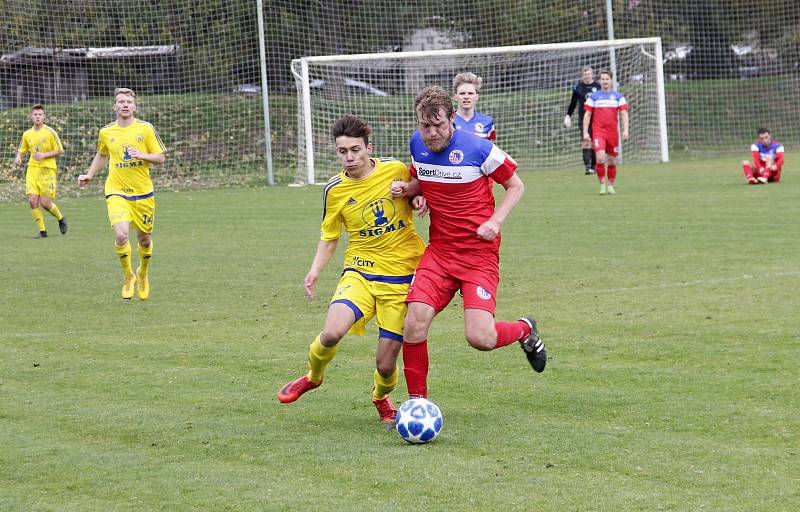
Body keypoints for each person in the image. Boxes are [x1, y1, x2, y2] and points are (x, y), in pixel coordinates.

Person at [391, 86, 546, 400]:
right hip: (440, 252)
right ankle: (417, 405)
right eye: (425, 126)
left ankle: (525, 329)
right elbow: (425, 177)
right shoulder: (416, 144)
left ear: (451, 120)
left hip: (478, 255)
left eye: (438, 125)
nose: (432, 133)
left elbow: (515, 186)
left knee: (480, 338)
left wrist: (495, 220)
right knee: (414, 324)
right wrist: (413, 191)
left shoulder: (479, 148)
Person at [277, 114, 426, 422]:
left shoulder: (395, 169)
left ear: (368, 148)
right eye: (342, 151)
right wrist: (315, 270)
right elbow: (330, 237)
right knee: (331, 333)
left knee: (385, 366)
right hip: (360, 271)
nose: (349, 157)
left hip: (401, 278)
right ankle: (313, 376)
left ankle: (381, 396)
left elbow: (421, 188)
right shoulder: (334, 190)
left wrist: (417, 197)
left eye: (355, 150)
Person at [78, 88, 166, 300]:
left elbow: (160, 158)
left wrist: (142, 154)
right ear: (114, 107)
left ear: (134, 107)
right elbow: (102, 154)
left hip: (143, 194)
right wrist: (89, 175)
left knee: (144, 240)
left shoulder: (145, 129)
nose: (125, 105)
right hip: (116, 191)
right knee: (120, 234)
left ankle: (142, 274)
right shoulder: (106, 132)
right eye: (121, 102)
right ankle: (128, 276)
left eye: (128, 102)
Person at [14, 104, 67, 238]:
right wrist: (18, 158)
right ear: (31, 117)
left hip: (47, 170)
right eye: (35, 114)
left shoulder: (50, 132)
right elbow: (22, 150)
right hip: (32, 169)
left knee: (45, 203)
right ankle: (42, 231)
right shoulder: (27, 134)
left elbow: (60, 150)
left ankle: (60, 218)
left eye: (40, 114)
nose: (37, 117)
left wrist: (43, 155)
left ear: (44, 117)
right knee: (32, 200)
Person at [583, 69, 629, 195]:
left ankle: (611, 185)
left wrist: (626, 130)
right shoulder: (594, 97)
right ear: (599, 81)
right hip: (599, 132)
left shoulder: (619, 97)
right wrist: (585, 132)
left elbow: (624, 114)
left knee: (612, 161)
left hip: (613, 133)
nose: (605, 81)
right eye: (602, 79)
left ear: (611, 80)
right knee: (600, 158)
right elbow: (587, 114)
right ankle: (602, 184)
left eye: (607, 79)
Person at [564, 66, 601, 175]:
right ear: (582, 75)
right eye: (585, 74)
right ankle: (588, 167)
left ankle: (594, 166)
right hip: (583, 119)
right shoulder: (578, 87)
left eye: (589, 74)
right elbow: (573, 103)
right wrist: (568, 115)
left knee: (595, 142)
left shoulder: (598, 86)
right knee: (586, 141)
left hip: (597, 118)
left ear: (592, 74)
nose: (587, 76)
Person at [452, 72, 496, 140]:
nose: (466, 97)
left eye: (470, 93)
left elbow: (490, 148)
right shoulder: (448, 121)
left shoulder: (487, 121)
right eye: (462, 93)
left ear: (477, 97)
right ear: (455, 97)